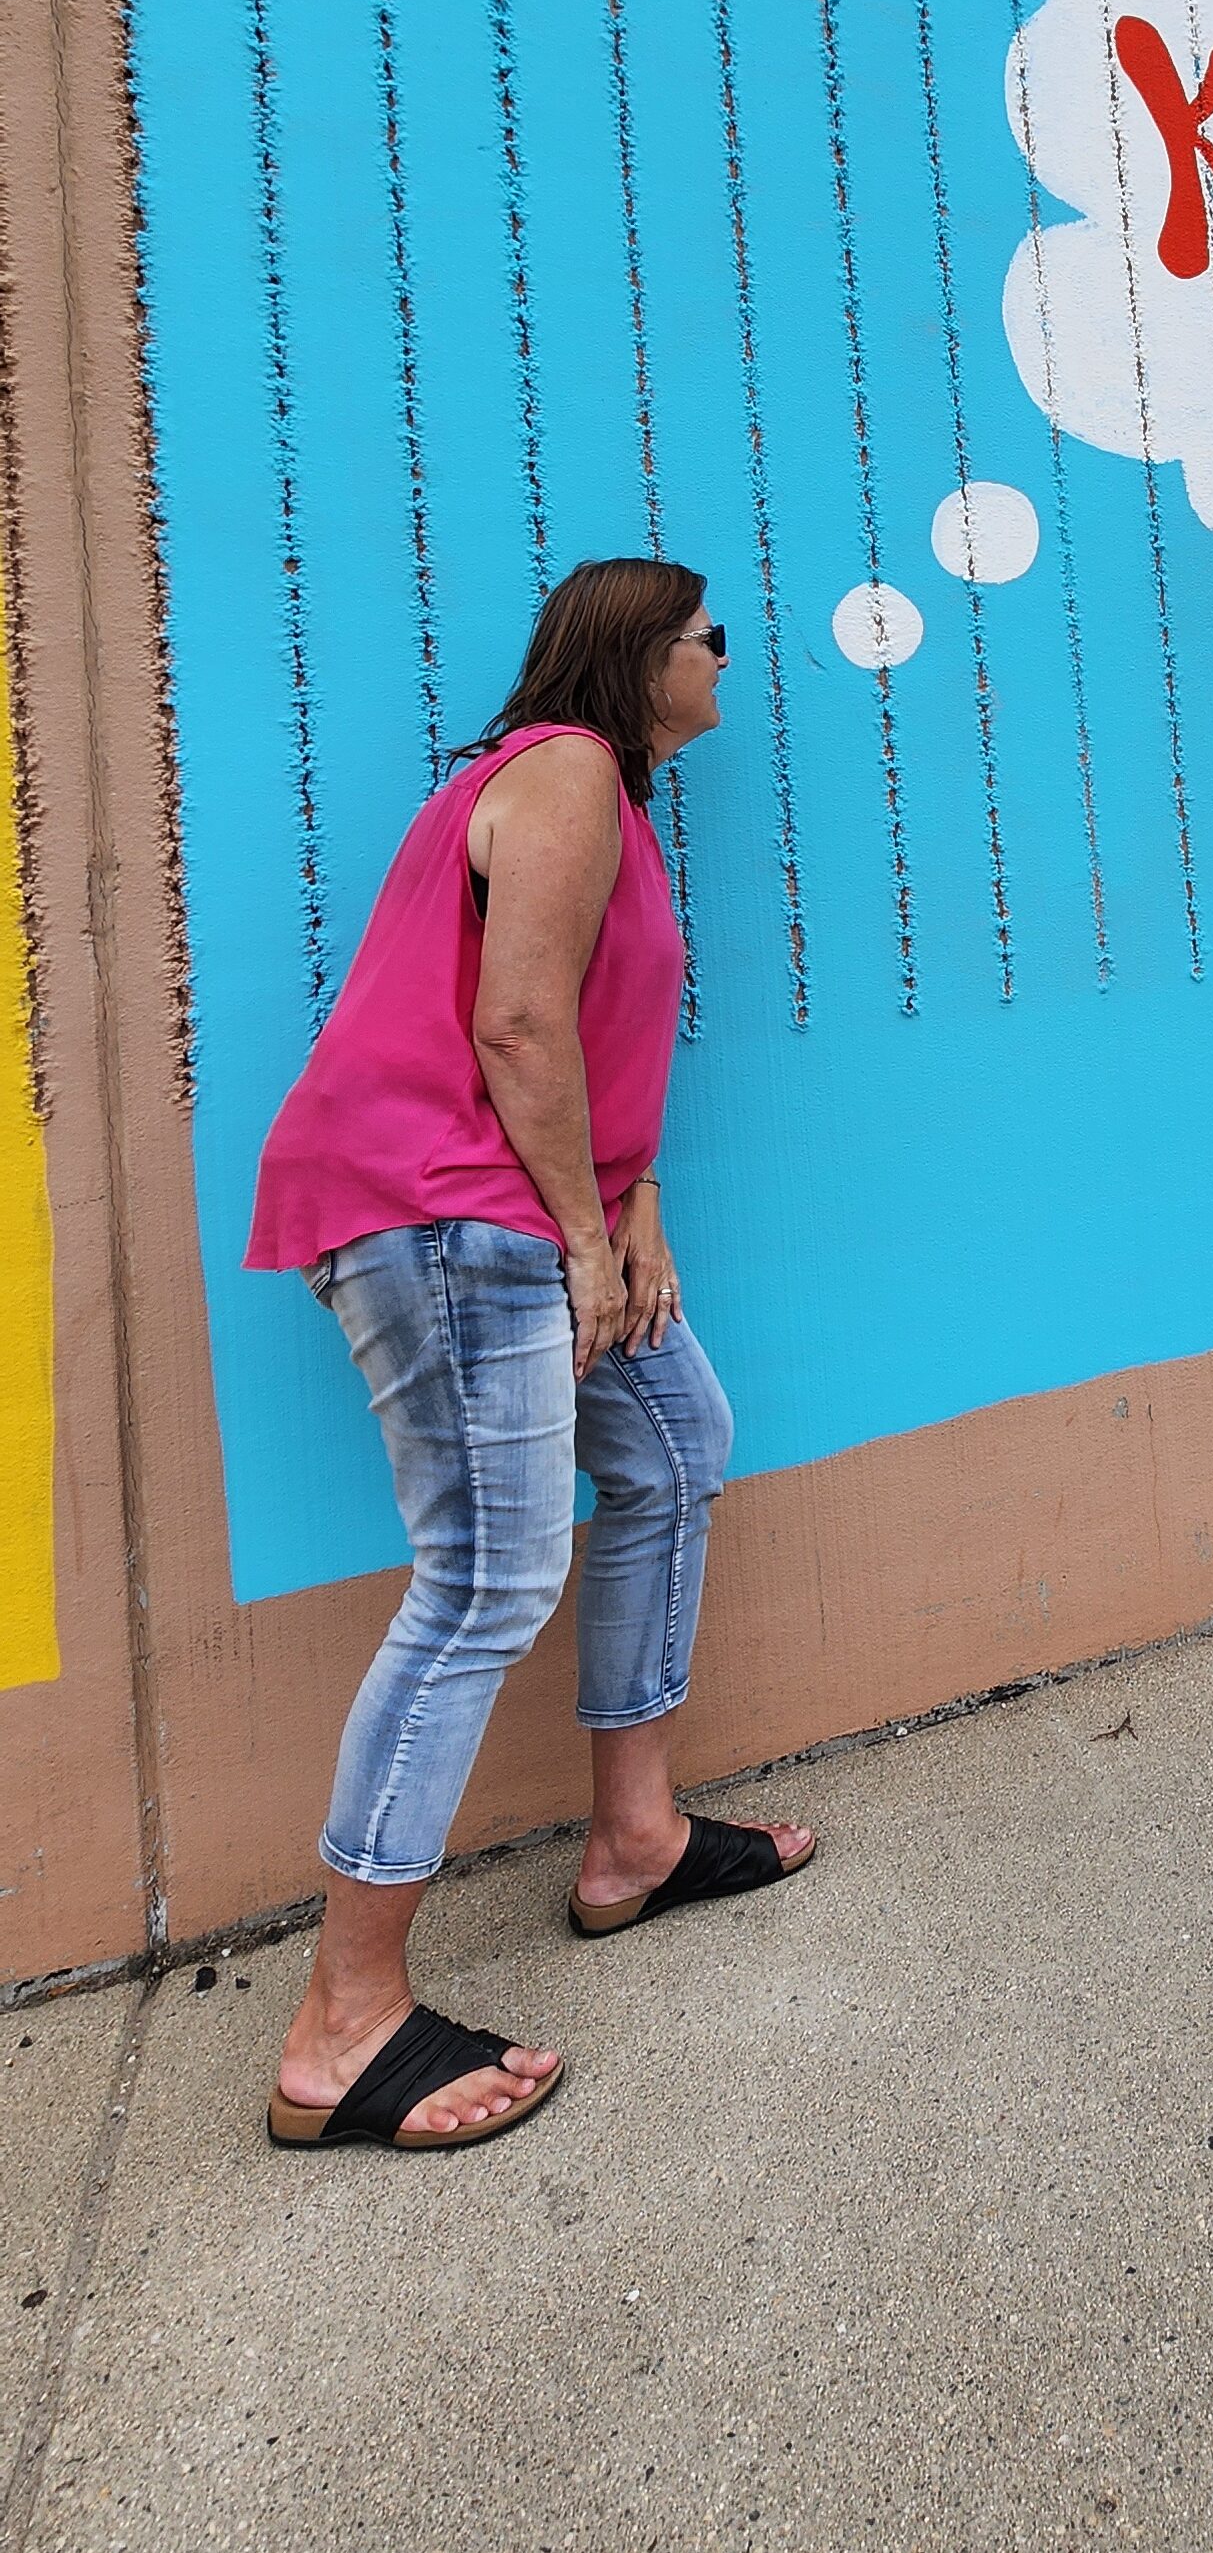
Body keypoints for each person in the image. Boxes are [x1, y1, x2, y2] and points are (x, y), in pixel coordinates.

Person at [245, 557, 814, 2154]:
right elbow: (510, 1029)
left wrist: (634, 1208)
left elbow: (592, 1039)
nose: (726, 660)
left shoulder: (613, 811)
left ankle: (632, 1837)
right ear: (641, 656)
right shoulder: (561, 771)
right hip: (449, 1216)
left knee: (671, 1448)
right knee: (487, 1580)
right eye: (711, 637)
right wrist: (579, 1231)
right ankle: (340, 2028)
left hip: (533, 1210)